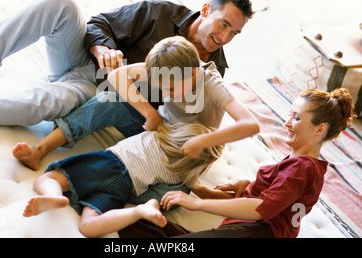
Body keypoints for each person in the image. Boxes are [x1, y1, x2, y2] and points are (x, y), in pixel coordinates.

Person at [0, 0, 254, 126]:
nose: (224, 38)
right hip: (78, 56)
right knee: (62, 3)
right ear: (205, 11)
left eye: (234, 34)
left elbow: (180, 116)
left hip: (101, 94)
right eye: (224, 24)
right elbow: (97, 24)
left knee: (49, 104)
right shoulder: (159, 12)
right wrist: (102, 49)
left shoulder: (213, 69)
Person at [118, 88, 357, 238]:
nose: (286, 123)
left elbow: (260, 209)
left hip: (255, 233)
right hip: (243, 230)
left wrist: (194, 203)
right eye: (289, 114)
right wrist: (251, 187)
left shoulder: (302, 168)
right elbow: (277, 199)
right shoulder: (303, 166)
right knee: (136, 224)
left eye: (296, 118)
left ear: (320, 129)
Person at [13, 36, 260, 172]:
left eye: (171, 89)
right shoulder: (167, 67)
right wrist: (150, 113)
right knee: (110, 98)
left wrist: (202, 141)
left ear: (193, 73)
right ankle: (40, 150)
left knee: (153, 185)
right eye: (160, 86)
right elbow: (116, 75)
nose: (166, 93)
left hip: (185, 150)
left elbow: (251, 125)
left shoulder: (213, 85)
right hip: (159, 130)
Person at [22, 121, 231, 238]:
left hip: (107, 163)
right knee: (88, 226)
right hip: (125, 187)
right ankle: (139, 210)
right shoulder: (180, 173)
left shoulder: (156, 132)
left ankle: (54, 195)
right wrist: (222, 196)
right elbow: (197, 186)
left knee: (49, 178)